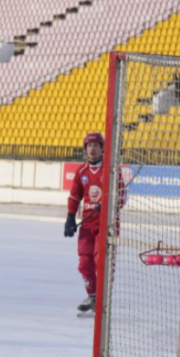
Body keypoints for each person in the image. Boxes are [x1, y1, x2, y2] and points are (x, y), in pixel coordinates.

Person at [64, 132, 124, 316]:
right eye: (89, 145)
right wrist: (70, 218)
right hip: (87, 226)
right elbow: (75, 196)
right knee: (84, 263)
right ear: (85, 149)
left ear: (102, 148)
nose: (92, 149)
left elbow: (122, 197)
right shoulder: (81, 172)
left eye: (96, 145)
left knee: (102, 261)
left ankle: (103, 298)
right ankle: (92, 297)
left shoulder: (111, 170)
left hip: (107, 225)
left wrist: (107, 204)